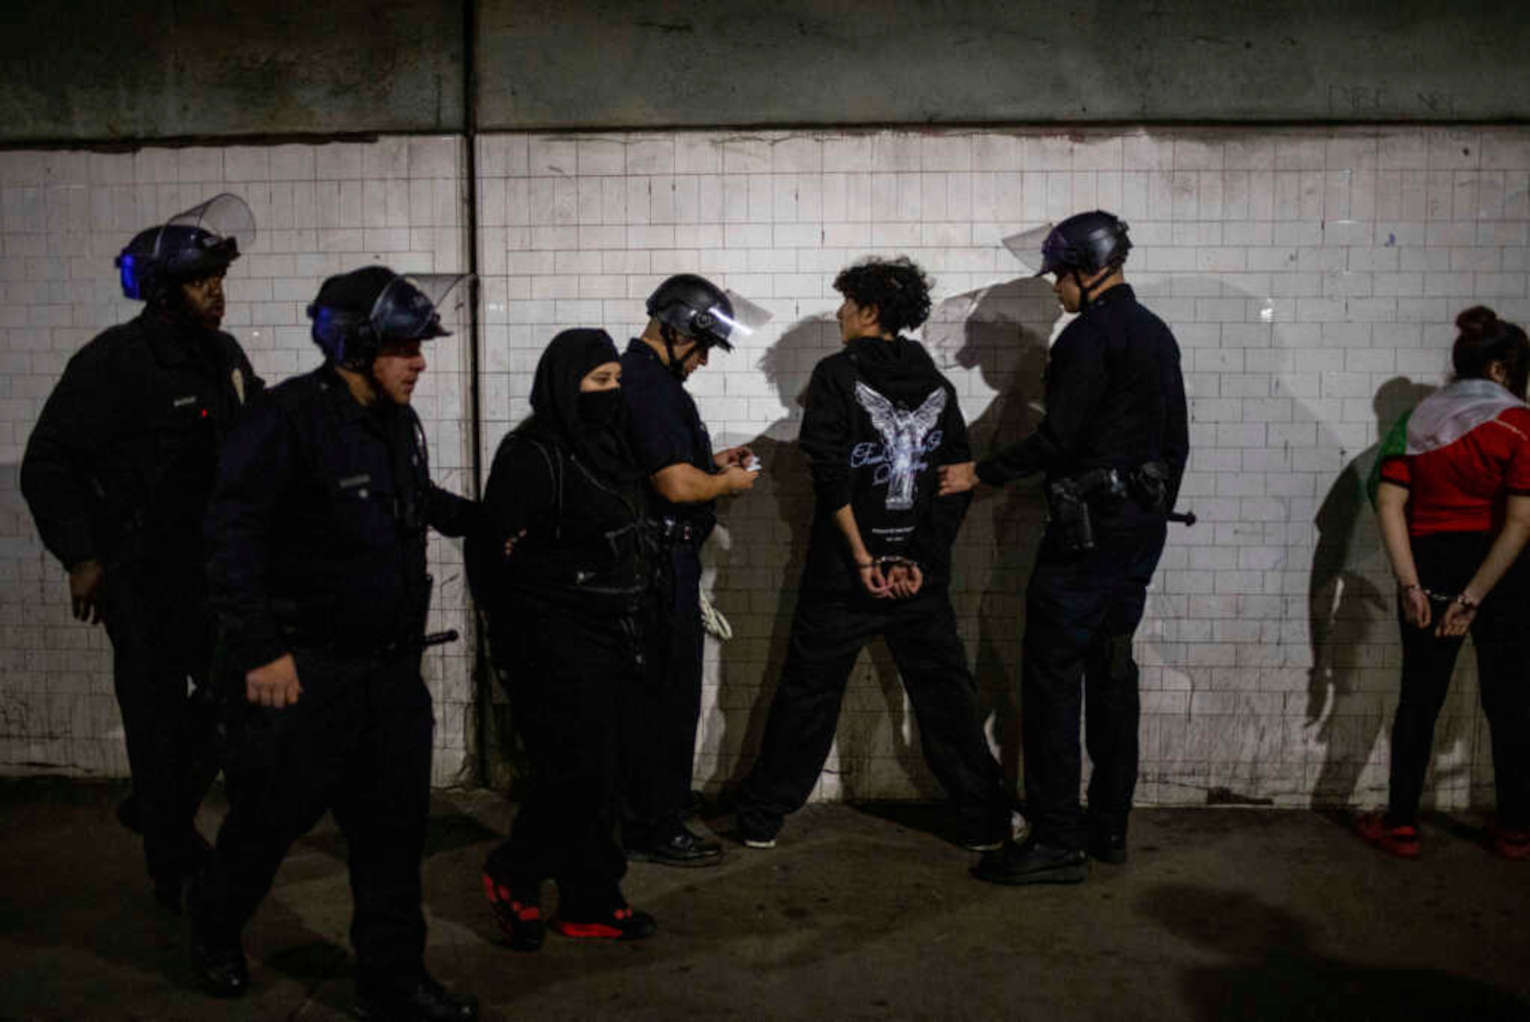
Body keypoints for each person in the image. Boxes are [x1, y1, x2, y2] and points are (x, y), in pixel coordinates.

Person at [189, 266, 479, 1020]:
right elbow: (230, 539)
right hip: (306, 675)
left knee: (392, 838)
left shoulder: (394, 423)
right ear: (354, 346)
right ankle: (213, 927)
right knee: (266, 826)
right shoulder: (285, 420)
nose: (420, 362)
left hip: (389, 674)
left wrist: (493, 522)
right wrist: (262, 650)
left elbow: (418, 500)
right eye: (404, 348)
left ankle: (393, 982)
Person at [20, 194, 262, 912]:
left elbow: (260, 439)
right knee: (155, 726)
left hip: (216, 575)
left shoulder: (224, 356)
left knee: (240, 702)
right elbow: (47, 463)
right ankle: (173, 865)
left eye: (219, 279)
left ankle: (159, 805)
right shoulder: (114, 362)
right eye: (200, 281)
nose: (216, 292)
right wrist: (81, 557)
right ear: (162, 291)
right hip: (142, 579)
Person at [940, 210, 1188, 885]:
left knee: (1052, 679)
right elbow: (1176, 443)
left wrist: (979, 473)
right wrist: (1144, 516)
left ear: (1088, 270)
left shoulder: (1086, 338)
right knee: (1113, 674)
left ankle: (1054, 839)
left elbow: (1059, 441)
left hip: (1086, 537)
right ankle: (1108, 826)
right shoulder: (1154, 332)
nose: (1054, 288)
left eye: (1059, 275)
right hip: (1137, 533)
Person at [735, 257, 1012, 851]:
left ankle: (761, 817)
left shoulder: (836, 376)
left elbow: (830, 477)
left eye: (847, 303)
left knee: (808, 695)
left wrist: (864, 559)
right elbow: (954, 483)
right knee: (946, 696)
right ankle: (985, 822)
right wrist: (919, 561)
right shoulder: (936, 385)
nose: (840, 313)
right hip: (915, 576)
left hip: (845, 573)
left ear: (870, 311)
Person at [469, 328, 660, 948]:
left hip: (614, 628)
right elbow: (489, 552)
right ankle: (515, 871)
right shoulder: (531, 452)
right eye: (599, 381)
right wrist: (510, 640)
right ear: (563, 384)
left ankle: (591, 899)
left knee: (604, 777)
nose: (612, 392)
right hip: (552, 639)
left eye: (616, 380)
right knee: (576, 775)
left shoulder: (607, 445)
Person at [1364, 306, 1530, 861]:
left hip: (1430, 565)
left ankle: (1402, 826)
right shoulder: (1520, 425)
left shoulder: (1415, 422)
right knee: (1508, 701)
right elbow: (1520, 523)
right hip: (1502, 572)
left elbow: (1389, 504)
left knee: (1419, 699)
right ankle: (1515, 829)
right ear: (1501, 368)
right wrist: (1474, 597)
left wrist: (1411, 586)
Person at [618, 274, 759, 867]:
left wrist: (711, 463)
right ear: (678, 331)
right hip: (660, 565)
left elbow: (666, 464)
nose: (704, 360)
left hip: (655, 562)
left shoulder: (646, 381)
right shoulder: (650, 387)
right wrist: (727, 484)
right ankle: (657, 824)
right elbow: (675, 486)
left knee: (658, 696)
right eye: (702, 347)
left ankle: (655, 806)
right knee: (668, 699)